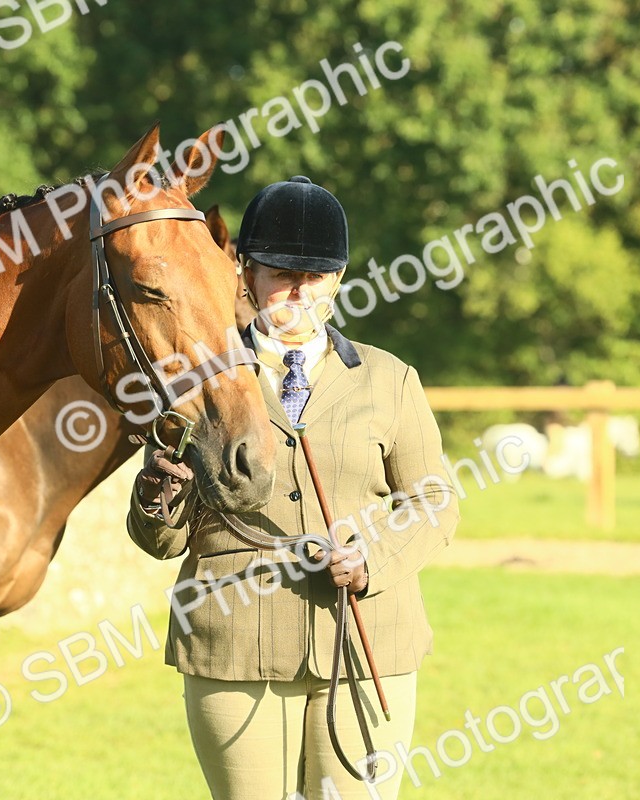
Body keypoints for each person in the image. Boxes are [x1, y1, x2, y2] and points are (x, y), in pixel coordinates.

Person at [126, 176, 460, 800]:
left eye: (316, 276)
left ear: (338, 279)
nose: (300, 291)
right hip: (235, 646)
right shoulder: (196, 381)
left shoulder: (390, 379)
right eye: (282, 274)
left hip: (366, 642)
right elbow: (161, 540)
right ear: (246, 275)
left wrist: (372, 557)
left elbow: (433, 500)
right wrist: (156, 492)